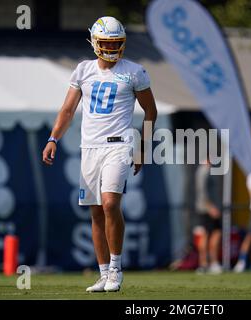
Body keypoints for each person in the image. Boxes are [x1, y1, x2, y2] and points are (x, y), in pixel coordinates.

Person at [42, 16, 157, 292]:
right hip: (90, 147)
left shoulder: (135, 72)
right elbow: (67, 110)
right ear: (95, 42)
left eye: (116, 43)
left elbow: (151, 112)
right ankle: (104, 272)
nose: (111, 48)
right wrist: (53, 138)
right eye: (106, 42)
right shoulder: (83, 71)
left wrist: (143, 146)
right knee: (95, 212)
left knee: (109, 205)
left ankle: (116, 269)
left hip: (118, 145)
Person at [194, 158, 223, 274]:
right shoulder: (204, 171)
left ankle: (205, 264)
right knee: (213, 234)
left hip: (206, 208)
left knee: (208, 234)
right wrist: (211, 207)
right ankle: (210, 263)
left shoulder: (205, 170)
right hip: (208, 208)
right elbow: (202, 191)